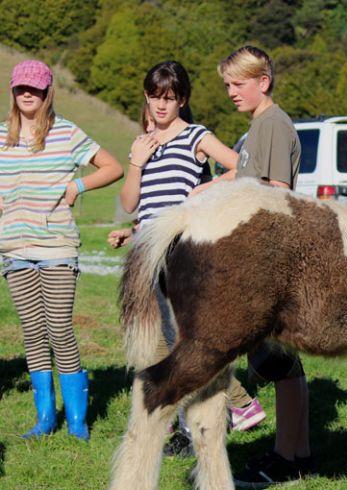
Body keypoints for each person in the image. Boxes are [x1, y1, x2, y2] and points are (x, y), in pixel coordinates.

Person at [116, 61, 264, 454]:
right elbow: (130, 202)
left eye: (169, 98)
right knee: (167, 339)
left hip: (181, 249)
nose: (160, 106)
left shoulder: (196, 136)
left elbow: (244, 167)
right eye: (154, 97)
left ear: (182, 100)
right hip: (148, 253)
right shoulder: (142, 143)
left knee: (186, 339)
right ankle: (189, 418)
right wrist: (135, 162)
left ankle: (241, 404)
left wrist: (205, 190)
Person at [196, 46, 312, 487]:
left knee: (279, 361)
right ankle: (295, 453)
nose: (230, 92)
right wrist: (208, 190)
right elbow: (247, 177)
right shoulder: (257, 127)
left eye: (237, 84)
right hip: (255, 256)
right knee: (280, 361)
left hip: (267, 258)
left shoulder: (273, 126)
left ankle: (288, 457)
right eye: (226, 84)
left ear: (262, 81)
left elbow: (278, 192)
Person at [0, 60, 124, 440]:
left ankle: (77, 422)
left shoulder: (67, 133)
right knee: (33, 333)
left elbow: (112, 167)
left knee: (59, 330)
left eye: (34, 89)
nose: (27, 94)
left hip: (56, 245)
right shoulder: (2, 136)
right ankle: (44, 419)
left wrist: (78, 187)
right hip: (14, 248)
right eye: (21, 88)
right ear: (13, 91)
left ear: (47, 92)